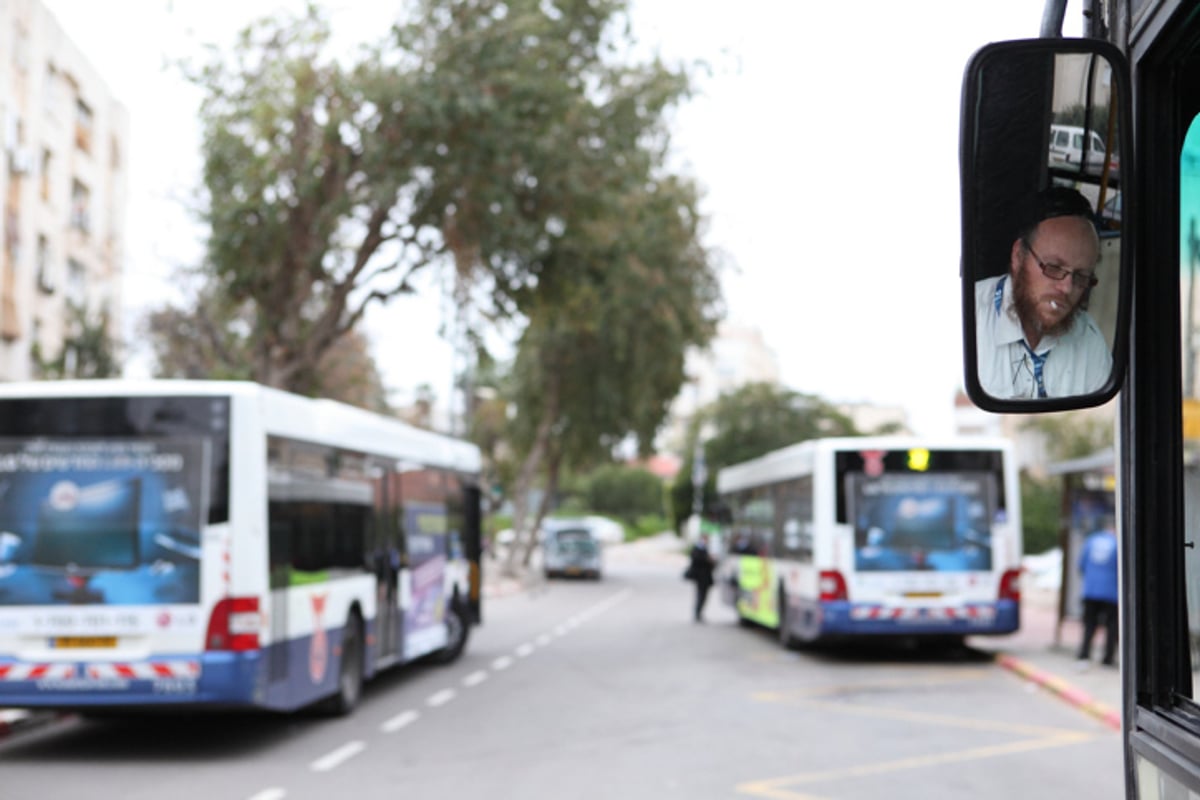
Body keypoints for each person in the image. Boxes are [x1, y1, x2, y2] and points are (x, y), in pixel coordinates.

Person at [976, 186, 1113, 399]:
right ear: (1018, 256)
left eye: (1080, 276)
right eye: (1054, 268)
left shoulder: (1089, 340)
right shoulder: (966, 315)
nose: (1066, 288)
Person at [1076, 516, 1119, 668]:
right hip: (1112, 592)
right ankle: (1107, 658)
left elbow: (1081, 565)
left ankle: (1084, 654)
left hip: (1091, 591)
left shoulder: (1091, 540)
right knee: (1112, 626)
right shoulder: (1117, 543)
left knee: (1089, 624)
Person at [685, 534, 717, 622]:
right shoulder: (697, 549)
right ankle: (697, 614)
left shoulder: (705, 549)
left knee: (703, 596)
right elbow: (696, 561)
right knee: (700, 596)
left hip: (706, 577)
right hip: (700, 577)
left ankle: (699, 613)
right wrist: (707, 559)